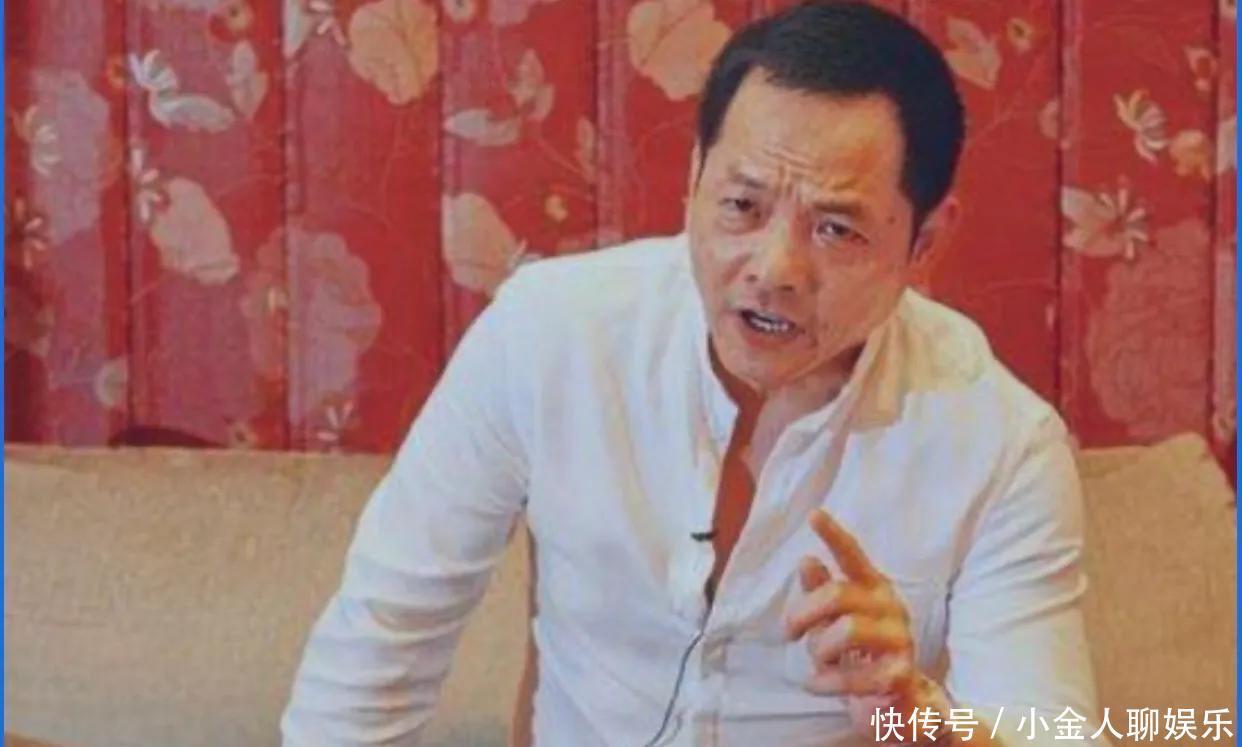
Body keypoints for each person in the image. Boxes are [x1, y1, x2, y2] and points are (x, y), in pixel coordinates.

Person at [281, 2, 1105, 745]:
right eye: (742, 205)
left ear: (924, 242)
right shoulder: (549, 333)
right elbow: (379, 645)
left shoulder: (1003, 442)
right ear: (693, 180)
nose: (774, 269)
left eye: (836, 229)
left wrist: (917, 721)